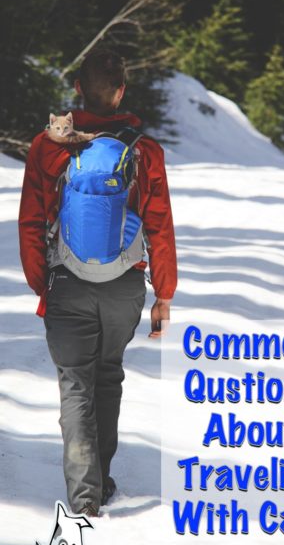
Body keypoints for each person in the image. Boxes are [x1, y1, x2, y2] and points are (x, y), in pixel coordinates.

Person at [18, 49, 177, 517]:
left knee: (75, 387)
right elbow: (159, 225)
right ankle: (100, 482)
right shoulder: (144, 150)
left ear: (77, 90)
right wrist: (163, 294)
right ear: (122, 92)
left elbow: (30, 222)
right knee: (107, 376)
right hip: (124, 285)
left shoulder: (48, 146)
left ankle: (85, 497)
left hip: (67, 281)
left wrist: (40, 282)